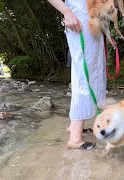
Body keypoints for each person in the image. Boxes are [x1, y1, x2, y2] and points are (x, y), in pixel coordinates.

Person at [48, 0, 106, 150]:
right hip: (79, 16)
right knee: (84, 73)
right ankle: (75, 139)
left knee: (94, 72)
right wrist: (67, 12)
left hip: (94, 17)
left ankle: (76, 126)